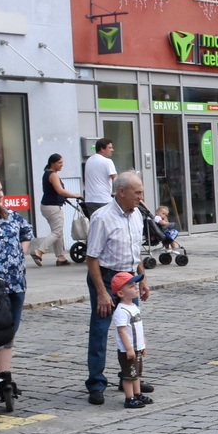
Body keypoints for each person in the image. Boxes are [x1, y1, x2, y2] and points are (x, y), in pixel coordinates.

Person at [85, 171, 149, 405]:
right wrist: (102, 292)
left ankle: (130, 378)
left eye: (141, 192)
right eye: (137, 192)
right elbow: (91, 257)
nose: (141, 197)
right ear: (121, 191)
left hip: (129, 277)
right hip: (106, 277)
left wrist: (142, 278)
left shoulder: (137, 215)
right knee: (100, 330)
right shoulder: (102, 217)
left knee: (132, 330)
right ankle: (96, 383)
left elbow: (136, 251)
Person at [0, 175, 36, 405]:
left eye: (1, 190)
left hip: (15, 283)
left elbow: (27, 233)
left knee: (9, 332)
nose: (0, 195)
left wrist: (21, 251)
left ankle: (4, 377)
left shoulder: (10, 215)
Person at [110, 271, 149, 410]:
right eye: (131, 286)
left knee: (136, 373)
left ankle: (137, 394)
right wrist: (128, 348)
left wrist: (142, 343)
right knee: (128, 375)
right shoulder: (121, 310)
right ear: (121, 293)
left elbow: (139, 327)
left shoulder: (133, 307)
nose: (136, 288)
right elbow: (122, 331)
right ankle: (129, 398)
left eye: (135, 285)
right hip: (128, 349)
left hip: (137, 347)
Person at [37, 154, 79, 265]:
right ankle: (39, 251)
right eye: (59, 162)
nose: (62, 165)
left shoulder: (47, 173)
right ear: (52, 163)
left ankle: (61, 257)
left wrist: (63, 198)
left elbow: (54, 191)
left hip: (47, 206)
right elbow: (60, 191)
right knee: (57, 231)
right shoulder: (53, 175)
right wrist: (75, 195)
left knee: (58, 232)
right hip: (52, 207)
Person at [83, 139, 116, 214]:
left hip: (90, 199)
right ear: (102, 149)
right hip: (103, 199)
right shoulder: (107, 161)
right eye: (110, 148)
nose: (112, 150)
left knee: (95, 220)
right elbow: (116, 179)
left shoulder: (89, 160)